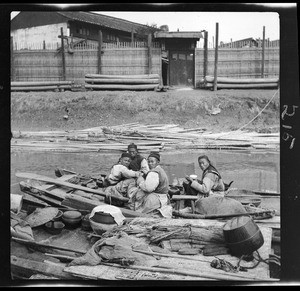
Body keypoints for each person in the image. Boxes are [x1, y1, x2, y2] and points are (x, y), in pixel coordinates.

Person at [126, 151, 172, 218]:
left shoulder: (154, 172)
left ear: (157, 162)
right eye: (149, 161)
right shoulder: (160, 170)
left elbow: (149, 188)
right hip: (162, 197)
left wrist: (140, 182)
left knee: (139, 203)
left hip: (156, 198)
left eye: (152, 162)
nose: (150, 163)